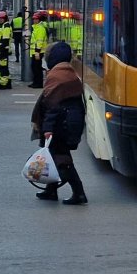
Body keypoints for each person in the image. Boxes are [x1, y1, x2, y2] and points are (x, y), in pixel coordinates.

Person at [30, 41, 87, 204]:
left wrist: (47, 129)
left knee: (62, 160)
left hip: (61, 124)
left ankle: (79, 193)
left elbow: (52, 105)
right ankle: (51, 190)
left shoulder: (55, 75)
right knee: (54, 157)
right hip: (70, 121)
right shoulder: (70, 72)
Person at [0, 10, 13, 89]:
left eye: (2, 18)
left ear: (5, 18)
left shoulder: (6, 26)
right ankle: (7, 83)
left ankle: (3, 84)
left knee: (3, 68)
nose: (0, 19)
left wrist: (1, 49)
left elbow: (5, 39)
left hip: (3, 50)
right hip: (0, 50)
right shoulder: (0, 26)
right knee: (3, 67)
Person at [28, 12, 47, 88]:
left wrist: (37, 52)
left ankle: (38, 83)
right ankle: (35, 82)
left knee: (37, 68)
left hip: (38, 51)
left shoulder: (40, 28)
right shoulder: (37, 28)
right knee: (35, 67)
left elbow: (39, 41)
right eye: (34, 19)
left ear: (39, 20)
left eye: (36, 19)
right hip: (36, 51)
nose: (34, 21)